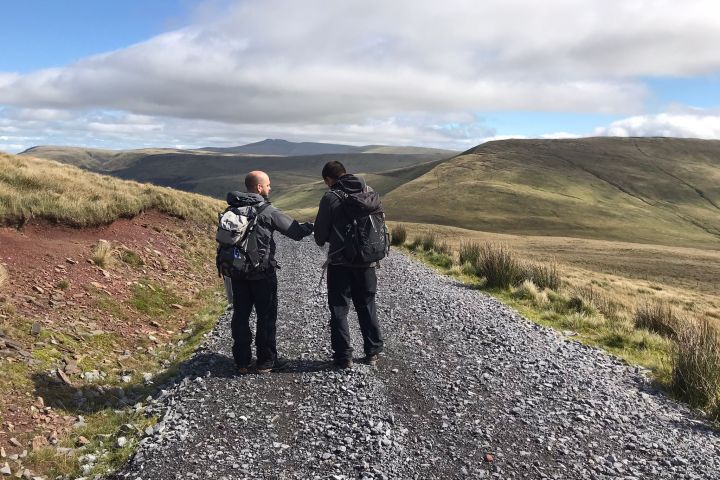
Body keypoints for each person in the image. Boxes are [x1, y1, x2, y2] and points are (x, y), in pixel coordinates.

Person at [228, 170, 313, 374]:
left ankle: (241, 362)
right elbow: (295, 232)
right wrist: (312, 226)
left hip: (237, 273)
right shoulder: (267, 210)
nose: (269, 188)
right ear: (258, 188)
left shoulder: (232, 209)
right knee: (265, 316)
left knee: (240, 315)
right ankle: (265, 362)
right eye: (267, 185)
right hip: (262, 273)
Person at [313, 161, 384, 369]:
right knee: (367, 305)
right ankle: (372, 352)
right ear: (344, 173)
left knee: (339, 309)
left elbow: (319, 236)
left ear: (328, 179)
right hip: (367, 261)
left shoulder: (330, 197)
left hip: (340, 263)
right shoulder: (368, 192)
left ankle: (344, 357)